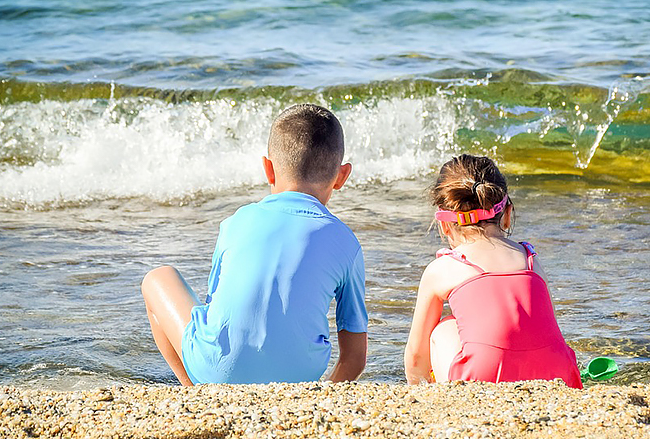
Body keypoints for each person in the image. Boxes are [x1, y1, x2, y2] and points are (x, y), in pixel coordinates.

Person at [142, 104, 368, 385]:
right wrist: (318, 395)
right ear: (342, 176)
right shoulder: (345, 241)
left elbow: (214, 309)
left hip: (217, 370)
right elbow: (355, 357)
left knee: (157, 278)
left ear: (268, 169)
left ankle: (194, 390)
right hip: (301, 377)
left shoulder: (237, 221)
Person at [404, 154, 582, 387]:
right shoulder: (530, 260)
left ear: (444, 224)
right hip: (559, 373)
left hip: (481, 378)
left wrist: (416, 388)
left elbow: (416, 356)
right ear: (507, 214)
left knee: (443, 329)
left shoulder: (443, 269)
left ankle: (446, 394)